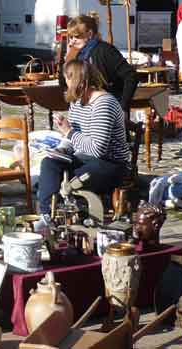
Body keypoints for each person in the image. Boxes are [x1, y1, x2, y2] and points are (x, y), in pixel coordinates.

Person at [35, 60, 131, 229]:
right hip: (85, 158)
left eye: (67, 80)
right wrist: (62, 148)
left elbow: (97, 149)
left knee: (67, 180)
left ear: (77, 81)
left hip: (110, 163)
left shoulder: (103, 104)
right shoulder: (77, 102)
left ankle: (65, 212)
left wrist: (69, 132)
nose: (66, 85)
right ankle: (47, 215)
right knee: (49, 164)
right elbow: (74, 138)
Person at [61, 14, 138, 115]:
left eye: (77, 36)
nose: (73, 40)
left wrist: (123, 106)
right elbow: (64, 83)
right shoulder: (77, 54)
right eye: (70, 36)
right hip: (86, 108)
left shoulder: (105, 50)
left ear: (89, 34)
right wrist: (67, 58)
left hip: (108, 108)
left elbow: (131, 75)